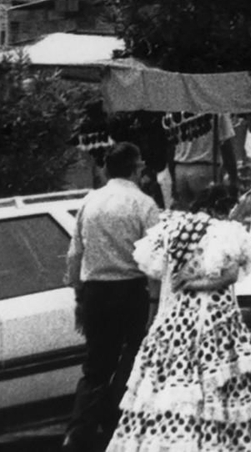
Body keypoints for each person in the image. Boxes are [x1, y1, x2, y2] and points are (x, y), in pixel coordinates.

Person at [105, 211, 251, 452]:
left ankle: (172, 440)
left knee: (172, 382)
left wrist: (182, 287)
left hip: (176, 319)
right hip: (215, 317)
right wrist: (197, 283)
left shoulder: (170, 233)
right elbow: (230, 276)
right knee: (222, 381)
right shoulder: (225, 232)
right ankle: (224, 441)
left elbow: (159, 279)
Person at [65, 142, 164, 452]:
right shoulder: (143, 204)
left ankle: (78, 431)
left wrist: (79, 295)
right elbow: (156, 255)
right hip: (130, 289)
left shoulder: (90, 202)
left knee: (95, 364)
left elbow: (74, 254)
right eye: (140, 167)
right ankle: (115, 419)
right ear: (135, 169)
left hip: (95, 290)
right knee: (133, 357)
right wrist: (155, 299)